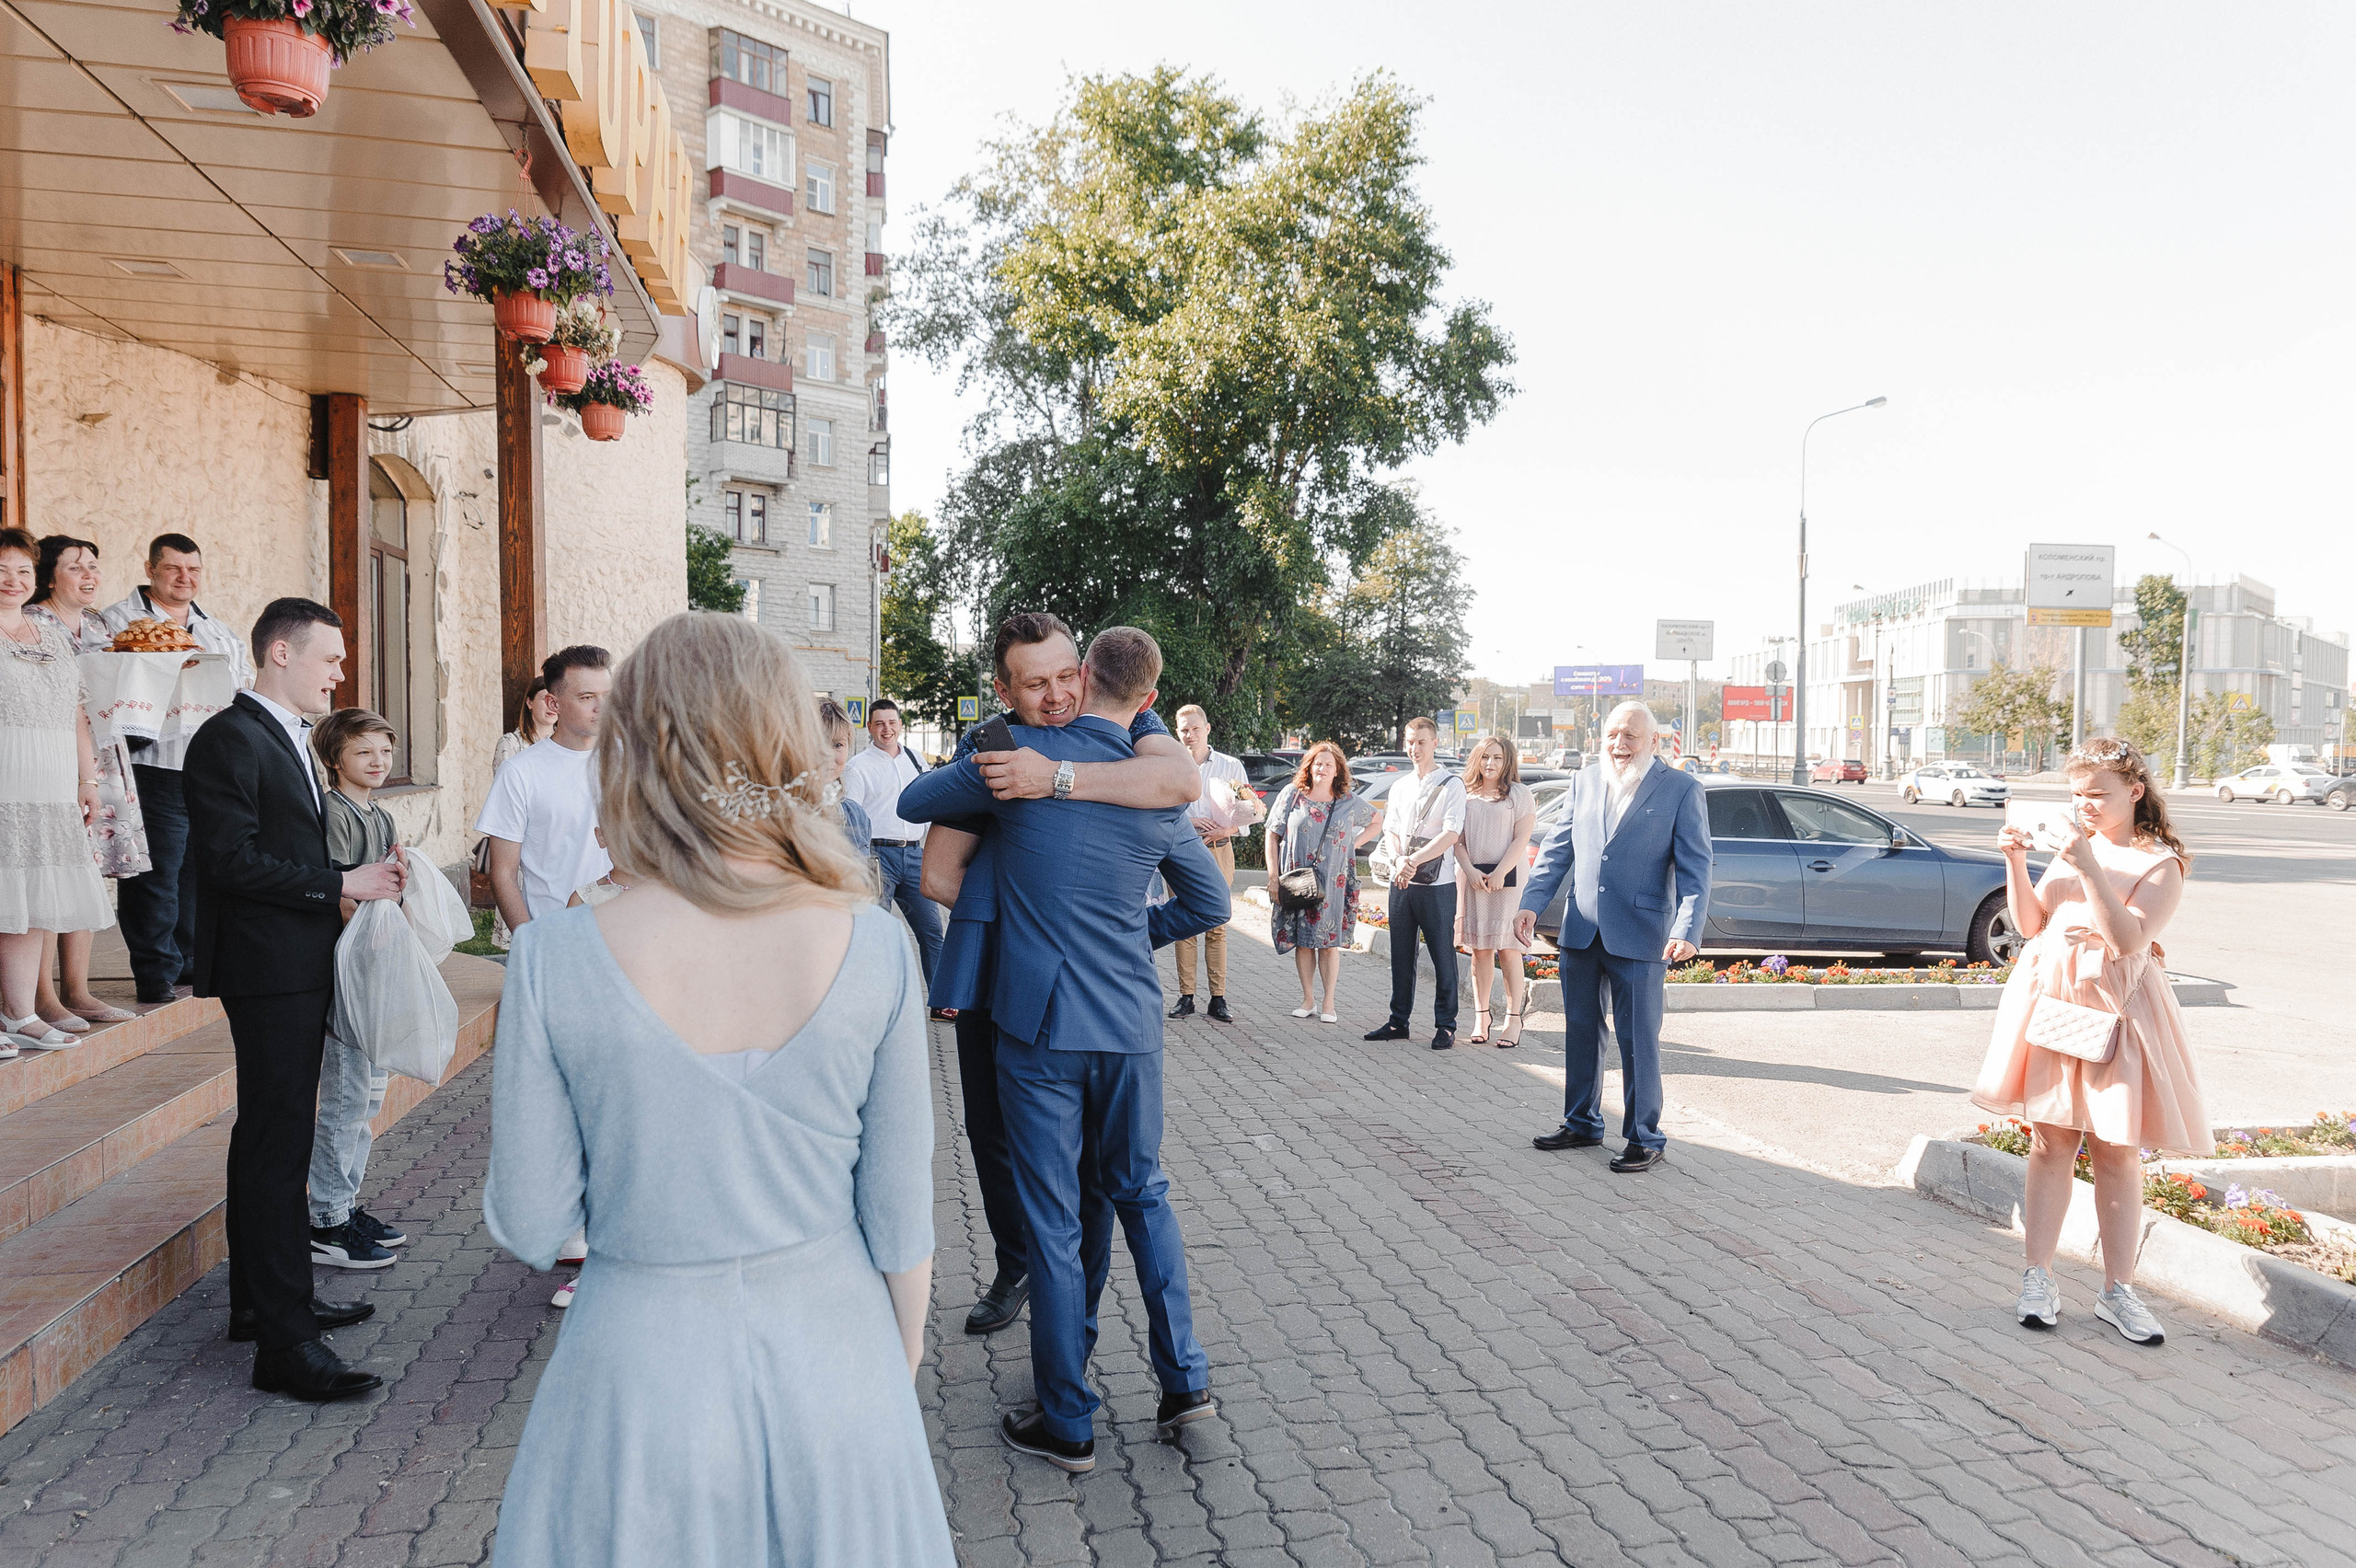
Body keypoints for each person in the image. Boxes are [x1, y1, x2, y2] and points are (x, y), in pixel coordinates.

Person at [484, 612, 954, 1565]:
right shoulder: (873, 943)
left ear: (632, 744)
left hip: (636, 1378)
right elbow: (902, 1220)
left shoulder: (553, 958)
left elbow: (531, 1221)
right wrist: (889, 1373)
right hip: (836, 1358)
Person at [901, 626, 1229, 1476]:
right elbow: (1208, 899)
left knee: (1051, 1224)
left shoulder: (1005, 766)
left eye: (1059, 678)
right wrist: (1128, 932)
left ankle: (1067, 1421)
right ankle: (1185, 1382)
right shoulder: (1147, 773)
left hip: (1037, 1030)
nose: (1050, 695)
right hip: (1127, 1023)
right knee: (1141, 1196)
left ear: (1082, 674)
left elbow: (913, 815)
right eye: (1032, 682)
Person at [184, 597, 404, 1397]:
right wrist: (339, 883)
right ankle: (284, 1347)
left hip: (294, 960)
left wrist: (363, 863)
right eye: (330, 658)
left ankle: (264, 1304)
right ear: (280, 653)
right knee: (279, 1148)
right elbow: (229, 862)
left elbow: (288, 843)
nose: (340, 672)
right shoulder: (228, 738)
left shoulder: (286, 739)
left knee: (270, 1140)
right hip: (265, 968)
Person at [1972, 739, 2207, 1346]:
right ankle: (2038, 1277)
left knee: (2116, 1150)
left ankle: (2117, 1291)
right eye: (2078, 794)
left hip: (2121, 1012)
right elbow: (2030, 925)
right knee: (2051, 1143)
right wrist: (2016, 861)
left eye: (2098, 793)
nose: (2086, 805)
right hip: (2054, 1002)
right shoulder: (2075, 847)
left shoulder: (2161, 862)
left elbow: (2129, 940)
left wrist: (2088, 866)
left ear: (2135, 791)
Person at [1516, 702, 1712, 1173]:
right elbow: (1557, 849)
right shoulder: (1584, 780)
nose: (1620, 746)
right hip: (1581, 930)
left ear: (1653, 742)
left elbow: (1696, 868)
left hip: (1642, 935)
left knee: (1638, 1039)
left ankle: (1645, 1136)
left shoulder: (1682, 790)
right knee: (1582, 1031)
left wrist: (1687, 929)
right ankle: (1581, 1121)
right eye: (1612, 736)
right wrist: (1531, 903)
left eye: (1631, 737)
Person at [101, 533, 254, 1005]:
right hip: (151, 765)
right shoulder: (116, 622)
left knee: (198, 870)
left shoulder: (219, 632)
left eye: (193, 570)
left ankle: (190, 961)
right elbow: (101, 689)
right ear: (150, 570)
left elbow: (243, 689)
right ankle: (155, 973)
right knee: (157, 875)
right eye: (173, 569)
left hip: (205, 768)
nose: (184, 579)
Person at [0, 530, 118, 1057]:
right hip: (5, 777)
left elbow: (76, 712)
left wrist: (87, 779)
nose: (13, 581)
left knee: (31, 902)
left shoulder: (47, 633)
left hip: (48, 787)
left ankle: (21, 1014)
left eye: (23, 571)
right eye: (2, 569)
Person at [25, 534, 145, 1032]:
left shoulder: (98, 624)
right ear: (49, 576)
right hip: (53, 756)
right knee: (50, 873)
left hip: (104, 758)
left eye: (93, 565)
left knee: (87, 871)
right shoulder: (32, 624)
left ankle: (79, 991)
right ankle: (42, 997)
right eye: (76, 566)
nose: (89, 574)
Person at [304, 709, 410, 1273]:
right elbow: (346, 894)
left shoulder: (382, 816)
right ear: (335, 759)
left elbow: (392, 884)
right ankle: (325, 1219)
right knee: (345, 1096)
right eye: (365, 752)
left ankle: (344, 1201)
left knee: (369, 1094)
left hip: (379, 964)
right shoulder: (335, 813)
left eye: (385, 752)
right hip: (351, 968)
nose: (379, 762)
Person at [477, 647, 613, 938]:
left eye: (608, 695)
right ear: (554, 703)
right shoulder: (520, 772)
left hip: (627, 938)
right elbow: (502, 875)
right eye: (587, 697)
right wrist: (533, 945)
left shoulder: (632, 764)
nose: (601, 707)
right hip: (555, 936)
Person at [1363, 717, 1470, 1050]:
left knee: (1441, 956)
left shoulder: (1452, 785)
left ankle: (1446, 1025)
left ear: (1435, 743)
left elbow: (1451, 833)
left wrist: (1414, 861)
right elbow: (1390, 829)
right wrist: (1398, 861)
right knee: (1401, 954)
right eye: (1410, 742)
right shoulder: (1400, 786)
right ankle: (1398, 1022)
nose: (1414, 748)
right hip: (1402, 882)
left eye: (1421, 742)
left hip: (1437, 885)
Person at [1265, 742, 1380, 1022]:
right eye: (1318, 763)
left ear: (1338, 769)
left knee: (1328, 942)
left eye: (1329, 764)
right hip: (1295, 880)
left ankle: (1329, 1003)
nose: (1323, 768)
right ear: (1309, 766)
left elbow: (1378, 821)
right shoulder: (1292, 795)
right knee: (1303, 941)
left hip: (1332, 881)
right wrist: (1271, 878)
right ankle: (1308, 999)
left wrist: (1352, 845)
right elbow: (1272, 834)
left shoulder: (1347, 800)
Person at [839, 698, 945, 989]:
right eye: (880, 724)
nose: (887, 729)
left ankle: (941, 1002)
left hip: (913, 856)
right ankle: (867, 996)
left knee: (932, 930)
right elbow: (850, 819)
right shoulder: (857, 767)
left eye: (892, 722)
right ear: (870, 726)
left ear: (900, 725)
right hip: (877, 857)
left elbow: (930, 802)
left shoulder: (915, 759)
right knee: (872, 930)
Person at [1167, 704, 1263, 1024]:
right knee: (1182, 924)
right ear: (1177, 732)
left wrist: (1228, 829)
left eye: (1195, 728)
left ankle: (1218, 998)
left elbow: (1251, 814)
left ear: (1207, 729)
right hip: (1182, 850)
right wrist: (1188, 824)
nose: (1190, 735)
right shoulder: (1170, 763)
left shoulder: (1230, 766)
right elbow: (1162, 807)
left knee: (1218, 925)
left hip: (1220, 848)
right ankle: (1186, 996)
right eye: (1184, 730)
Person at [1456, 737, 1537, 1048]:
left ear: (1508, 762)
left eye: (1498, 758)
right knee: (1480, 949)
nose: (1491, 763)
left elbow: (1521, 839)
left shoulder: (1519, 794)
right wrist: (1471, 871)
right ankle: (1482, 1016)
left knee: (1508, 948)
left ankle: (1514, 1019)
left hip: (1508, 881)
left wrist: (1501, 872)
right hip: (1475, 880)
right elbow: (1458, 840)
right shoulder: (1466, 795)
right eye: (1485, 757)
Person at [485, 677, 556, 951]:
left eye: (555, 699)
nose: (551, 706)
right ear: (529, 702)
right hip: (523, 836)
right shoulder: (512, 743)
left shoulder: (566, 745)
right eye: (543, 698)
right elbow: (506, 796)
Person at [817, 698, 873, 861]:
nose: (828, 755)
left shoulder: (856, 815)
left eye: (838, 745)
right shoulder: (781, 812)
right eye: (819, 742)